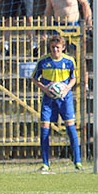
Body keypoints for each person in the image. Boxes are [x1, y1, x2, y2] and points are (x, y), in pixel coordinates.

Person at [36, 35, 84, 173]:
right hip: (48, 98)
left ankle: (78, 161)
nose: (55, 50)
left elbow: (73, 79)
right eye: (52, 47)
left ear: (63, 47)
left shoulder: (69, 61)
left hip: (65, 98)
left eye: (57, 47)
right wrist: (45, 88)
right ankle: (45, 163)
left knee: (70, 126)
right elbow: (34, 78)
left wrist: (66, 88)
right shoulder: (43, 62)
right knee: (45, 127)